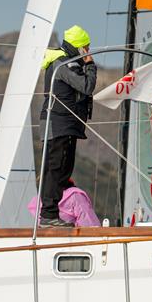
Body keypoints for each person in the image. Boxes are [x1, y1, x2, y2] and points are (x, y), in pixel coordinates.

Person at [38, 25, 97, 227]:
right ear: (79, 47)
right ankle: (48, 215)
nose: (88, 51)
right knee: (56, 168)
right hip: (59, 123)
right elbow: (86, 86)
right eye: (86, 48)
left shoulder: (68, 62)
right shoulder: (63, 65)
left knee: (63, 169)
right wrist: (90, 65)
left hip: (66, 124)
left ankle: (52, 213)